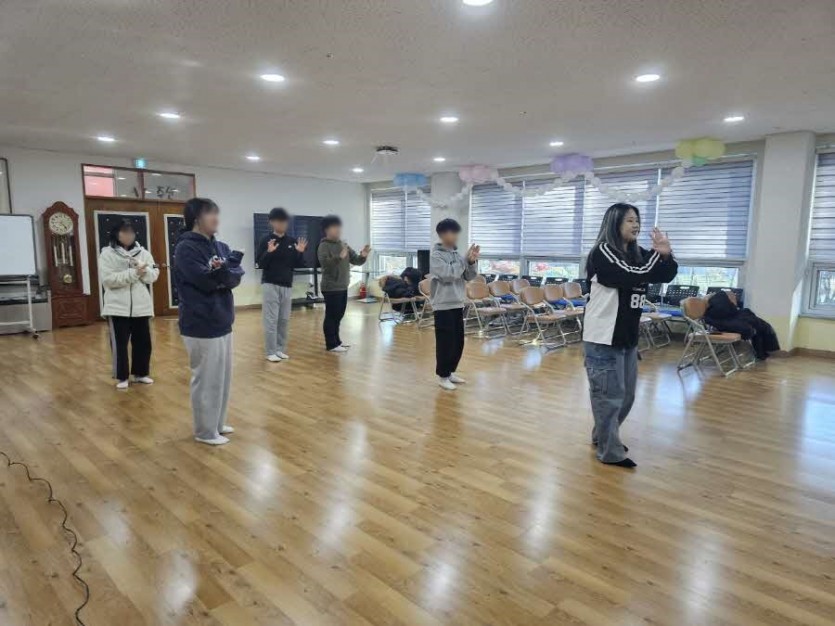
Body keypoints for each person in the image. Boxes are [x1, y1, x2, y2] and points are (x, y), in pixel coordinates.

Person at [583, 203, 678, 468]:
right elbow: (632, 274)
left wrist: (666, 255)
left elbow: (665, 274)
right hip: (603, 337)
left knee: (626, 397)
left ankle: (602, 436)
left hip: (626, 335)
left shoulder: (638, 253)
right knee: (608, 397)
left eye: (637, 220)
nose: (636, 225)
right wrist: (656, 256)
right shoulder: (603, 252)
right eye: (629, 220)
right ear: (614, 223)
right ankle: (610, 452)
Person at [174, 198, 245, 446]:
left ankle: (217, 423)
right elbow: (204, 281)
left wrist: (222, 273)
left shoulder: (221, 246)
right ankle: (205, 431)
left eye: (217, 213)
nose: (216, 218)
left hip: (223, 319)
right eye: (210, 214)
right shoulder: (186, 248)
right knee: (206, 380)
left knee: (223, 378)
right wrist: (223, 274)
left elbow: (235, 278)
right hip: (200, 323)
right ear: (196, 218)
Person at [99, 218, 159, 389]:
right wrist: (134, 273)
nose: (129, 235)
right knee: (120, 344)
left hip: (141, 307)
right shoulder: (107, 254)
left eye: (132, 232)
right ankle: (122, 377)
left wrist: (143, 270)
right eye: (124, 232)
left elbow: (153, 276)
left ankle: (141, 373)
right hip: (117, 307)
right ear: (116, 234)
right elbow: (109, 280)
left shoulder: (143, 253)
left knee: (143, 342)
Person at [428, 218, 479, 390]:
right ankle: (442, 376)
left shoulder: (456, 255)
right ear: (442, 234)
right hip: (443, 305)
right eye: (452, 232)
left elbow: (468, 276)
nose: (456, 236)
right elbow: (448, 275)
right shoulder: (436, 256)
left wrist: (471, 262)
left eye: (457, 232)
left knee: (457, 342)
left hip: (457, 303)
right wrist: (463, 261)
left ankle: (450, 372)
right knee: (445, 342)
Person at [256, 207, 308, 362]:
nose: (282, 224)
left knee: (284, 319)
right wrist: (269, 252)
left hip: (287, 284)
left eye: (284, 221)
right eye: (279, 221)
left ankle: (280, 349)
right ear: (272, 222)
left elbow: (298, 264)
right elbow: (260, 263)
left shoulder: (292, 241)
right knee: (271, 319)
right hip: (270, 284)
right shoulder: (266, 240)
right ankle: (270, 351)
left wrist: (300, 252)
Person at [316, 215, 370, 352]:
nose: (338, 230)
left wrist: (363, 255)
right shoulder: (323, 246)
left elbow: (356, 260)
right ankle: (331, 344)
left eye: (339, 227)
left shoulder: (343, 244)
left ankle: (337, 342)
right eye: (335, 227)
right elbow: (325, 264)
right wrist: (339, 257)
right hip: (330, 287)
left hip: (342, 285)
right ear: (327, 230)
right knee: (331, 315)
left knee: (339, 315)